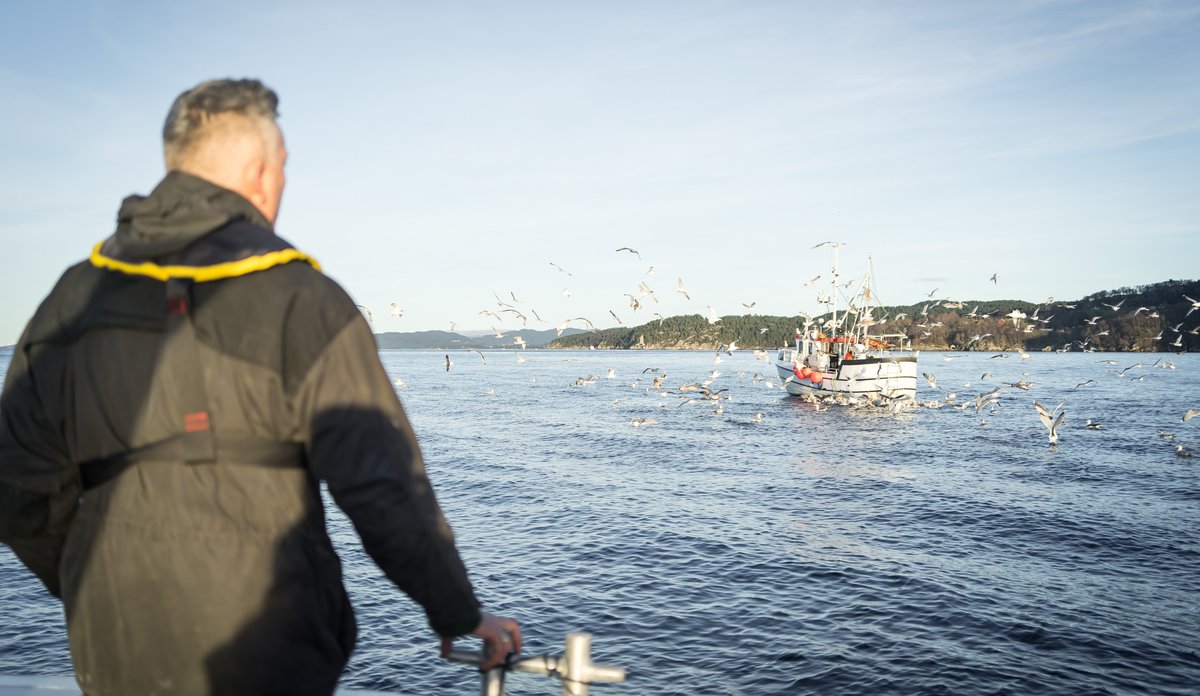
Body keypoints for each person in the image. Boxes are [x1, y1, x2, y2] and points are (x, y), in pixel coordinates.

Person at [0, 78, 519, 695]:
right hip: (270, 648)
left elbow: (16, 486)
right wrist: (458, 612)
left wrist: (94, 575)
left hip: (116, 646)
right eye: (283, 168)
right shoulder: (304, 302)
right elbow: (384, 489)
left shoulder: (70, 300)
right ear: (257, 172)